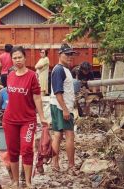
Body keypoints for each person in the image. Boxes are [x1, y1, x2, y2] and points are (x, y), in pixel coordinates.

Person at [3, 46, 47, 188]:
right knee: (13, 150)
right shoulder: (10, 76)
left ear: (25, 58)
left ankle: (28, 182)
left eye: (19, 57)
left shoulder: (32, 76)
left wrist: (42, 117)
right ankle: (15, 181)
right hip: (10, 120)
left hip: (27, 120)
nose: (17, 60)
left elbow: (37, 98)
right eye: (14, 58)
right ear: (12, 60)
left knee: (27, 148)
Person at [50, 43, 78, 175]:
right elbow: (58, 92)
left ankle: (55, 164)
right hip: (61, 106)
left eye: (71, 54)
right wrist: (66, 109)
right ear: (59, 54)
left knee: (57, 135)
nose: (70, 57)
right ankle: (71, 166)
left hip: (59, 106)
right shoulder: (59, 70)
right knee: (69, 135)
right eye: (67, 54)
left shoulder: (63, 69)